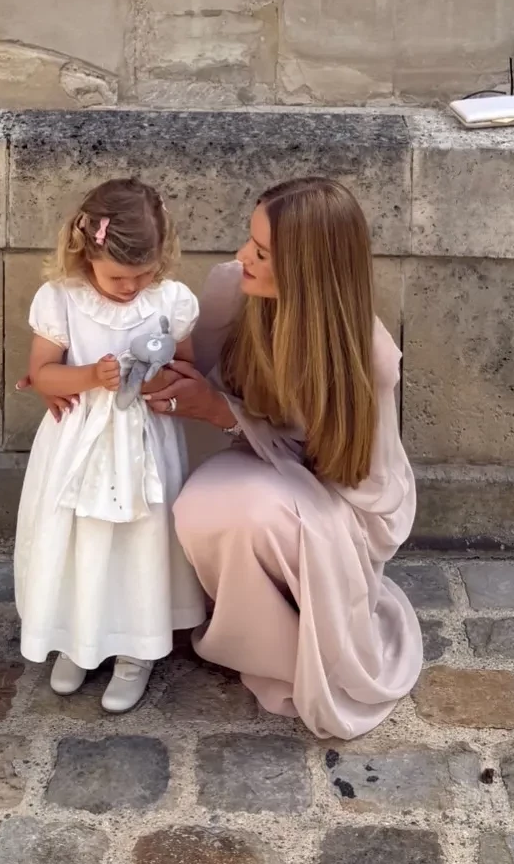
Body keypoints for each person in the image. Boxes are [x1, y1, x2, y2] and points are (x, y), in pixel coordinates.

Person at [147, 177, 424, 739]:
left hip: (344, 498)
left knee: (258, 515)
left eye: (262, 252)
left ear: (307, 269)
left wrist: (225, 415)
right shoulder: (232, 292)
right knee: (202, 507)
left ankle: (300, 651)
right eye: (249, 241)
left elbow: (364, 482)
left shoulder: (367, 356)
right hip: (256, 459)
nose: (242, 256)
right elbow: (189, 371)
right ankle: (258, 641)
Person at [14, 177, 205, 714]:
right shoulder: (62, 300)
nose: (131, 287)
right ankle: (76, 636)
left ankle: (135, 648)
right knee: (79, 539)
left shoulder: (170, 300)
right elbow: (42, 374)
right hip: (78, 444)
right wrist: (88, 377)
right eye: (119, 276)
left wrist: (155, 373)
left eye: (143, 274)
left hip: (144, 444)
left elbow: (188, 368)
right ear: (87, 252)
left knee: (139, 542)